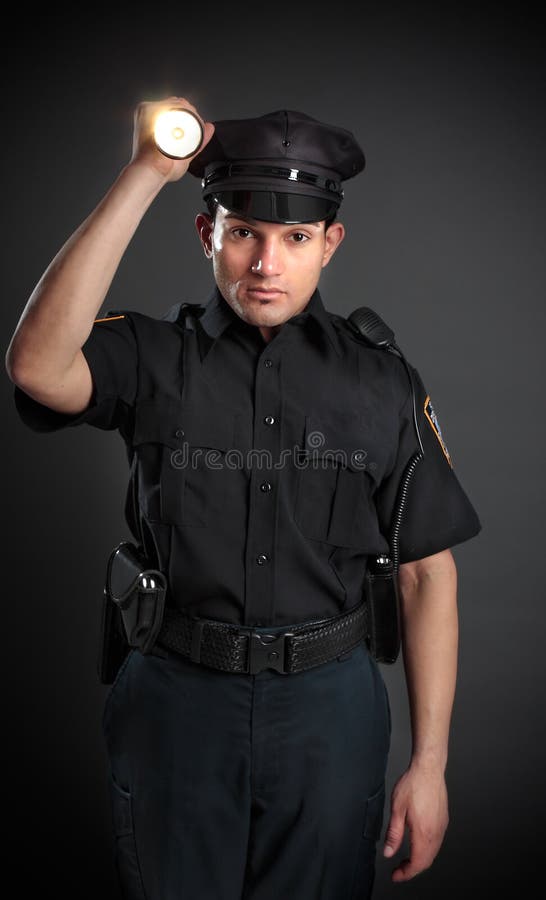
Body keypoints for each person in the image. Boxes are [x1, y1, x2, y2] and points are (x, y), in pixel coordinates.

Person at [5, 96, 481, 900]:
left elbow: (427, 575)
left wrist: (430, 767)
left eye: (294, 238)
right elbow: (38, 367)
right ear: (207, 236)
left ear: (329, 245)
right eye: (243, 234)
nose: (267, 264)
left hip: (329, 716)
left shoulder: (380, 380)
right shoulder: (151, 357)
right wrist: (147, 173)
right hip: (176, 706)